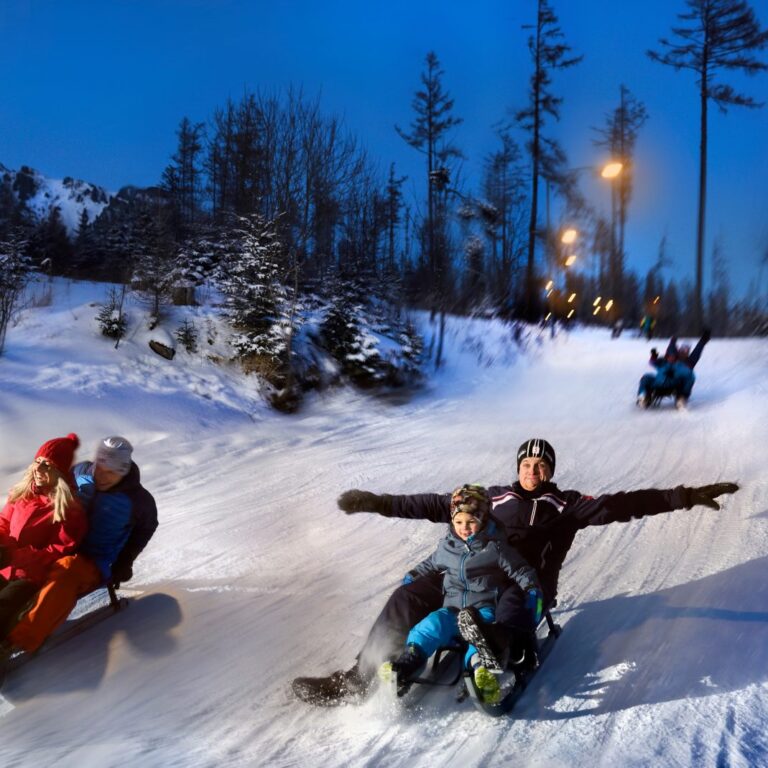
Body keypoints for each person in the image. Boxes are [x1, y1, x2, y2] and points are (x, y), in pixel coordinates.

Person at [292, 437, 739, 706]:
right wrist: (377, 503)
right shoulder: (493, 497)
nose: (533, 470)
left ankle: (499, 650)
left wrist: (684, 495)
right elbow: (432, 504)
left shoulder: (566, 505)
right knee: (409, 596)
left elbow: (625, 505)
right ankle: (358, 677)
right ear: (517, 467)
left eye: (542, 465)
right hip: (468, 575)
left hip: (525, 583)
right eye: (527, 464)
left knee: (513, 600)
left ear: (551, 471)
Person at [377, 484, 543, 704]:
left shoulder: (495, 548)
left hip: (483, 610)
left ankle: (481, 673)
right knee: (432, 624)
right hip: (452, 608)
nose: (464, 528)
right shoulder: (448, 545)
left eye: (471, 521)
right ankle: (409, 662)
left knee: (479, 639)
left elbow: (520, 569)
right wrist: (414, 574)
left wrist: (531, 589)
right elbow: (432, 563)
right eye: (459, 522)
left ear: (483, 519)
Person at [2, 436, 158, 657]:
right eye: (100, 468)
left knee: (66, 573)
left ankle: (15, 641)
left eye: (111, 472)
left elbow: (145, 529)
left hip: (92, 558)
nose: (102, 476)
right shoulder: (81, 471)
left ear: (123, 471)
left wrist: (125, 561)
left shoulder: (139, 501)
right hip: (59, 547)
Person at [0, 433, 86, 642]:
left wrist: (14, 557)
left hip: (31, 576)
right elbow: (3, 523)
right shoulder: (21, 494)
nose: (38, 469)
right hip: (5, 565)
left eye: (47, 465)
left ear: (61, 471)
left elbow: (57, 551)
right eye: (38, 461)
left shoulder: (69, 509)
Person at [637, 328, 710, 409]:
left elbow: (697, 352)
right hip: (658, 381)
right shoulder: (666, 359)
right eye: (682, 349)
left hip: (675, 383)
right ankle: (643, 397)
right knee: (646, 377)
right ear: (678, 351)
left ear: (688, 352)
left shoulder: (688, 361)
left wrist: (702, 341)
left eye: (686, 350)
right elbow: (653, 362)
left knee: (690, 377)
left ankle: (681, 398)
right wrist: (653, 357)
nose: (684, 351)